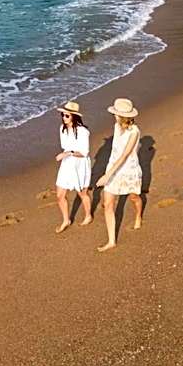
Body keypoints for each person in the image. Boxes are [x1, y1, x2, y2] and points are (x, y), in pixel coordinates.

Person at [95, 98, 142, 252]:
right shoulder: (116, 126)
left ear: (122, 116)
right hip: (113, 167)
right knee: (108, 204)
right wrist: (109, 171)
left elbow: (125, 155)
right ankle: (111, 241)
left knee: (134, 197)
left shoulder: (134, 132)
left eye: (115, 113)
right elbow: (115, 151)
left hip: (128, 169)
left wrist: (107, 175)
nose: (114, 115)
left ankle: (138, 216)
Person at [54, 101, 93, 234]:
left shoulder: (83, 132)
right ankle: (66, 220)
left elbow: (84, 152)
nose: (64, 118)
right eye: (63, 115)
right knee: (60, 195)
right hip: (67, 163)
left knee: (82, 193)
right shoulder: (62, 128)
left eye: (67, 116)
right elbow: (65, 145)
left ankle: (88, 215)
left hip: (80, 164)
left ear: (74, 117)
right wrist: (66, 155)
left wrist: (68, 153)